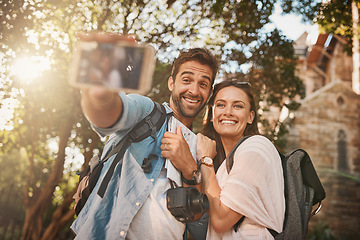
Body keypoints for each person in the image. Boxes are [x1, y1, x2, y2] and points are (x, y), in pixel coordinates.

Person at [70, 32, 219, 240]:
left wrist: (190, 171)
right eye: (187, 80)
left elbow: (200, 229)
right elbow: (110, 115)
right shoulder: (146, 111)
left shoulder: (203, 149)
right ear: (171, 83)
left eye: (203, 84)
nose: (194, 90)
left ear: (209, 93)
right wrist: (100, 94)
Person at [195, 80, 285, 239]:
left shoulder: (256, 148)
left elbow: (221, 221)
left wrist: (206, 159)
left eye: (238, 106)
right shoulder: (226, 163)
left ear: (250, 117)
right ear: (212, 115)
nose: (228, 112)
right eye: (221, 105)